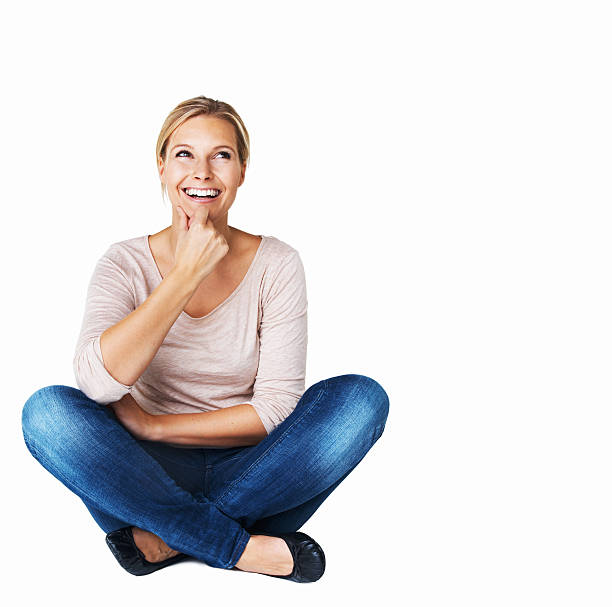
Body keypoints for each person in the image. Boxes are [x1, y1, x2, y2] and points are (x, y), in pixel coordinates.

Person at [20, 95, 390, 583]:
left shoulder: (277, 264)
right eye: (184, 154)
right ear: (161, 167)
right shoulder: (123, 262)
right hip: (144, 476)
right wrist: (184, 275)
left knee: (361, 399)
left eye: (221, 155)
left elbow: (274, 412)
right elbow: (98, 385)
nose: (203, 172)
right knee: (47, 414)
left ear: (241, 171)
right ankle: (238, 545)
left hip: (259, 471)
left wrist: (154, 426)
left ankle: (166, 537)